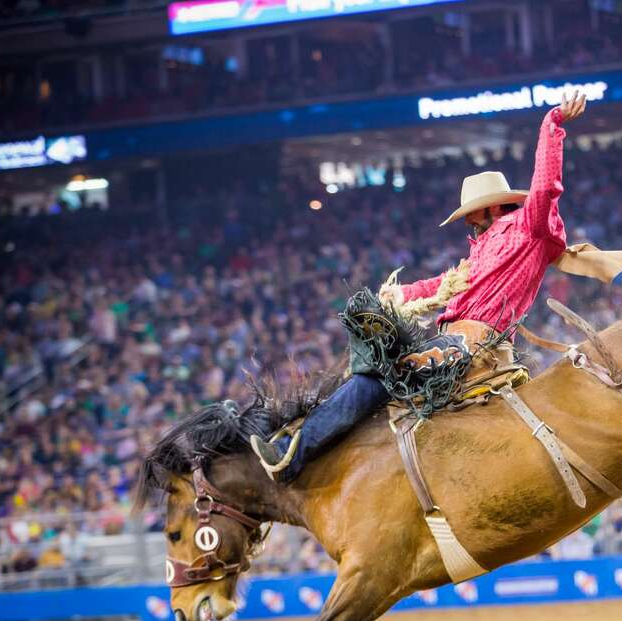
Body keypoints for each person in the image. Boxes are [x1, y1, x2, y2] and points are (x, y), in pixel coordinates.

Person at [251, 90, 593, 483]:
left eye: (471, 213)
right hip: (455, 341)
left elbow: (546, 187)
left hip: (472, 345)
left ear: (491, 207)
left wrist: (552, 125)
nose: (468, 222)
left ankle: (290, 456)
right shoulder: (483, 249)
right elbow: (445, 285)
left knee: (380, 374)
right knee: (371, 367)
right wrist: (400, 294)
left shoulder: (527, 229)